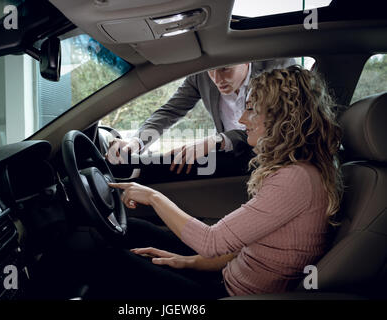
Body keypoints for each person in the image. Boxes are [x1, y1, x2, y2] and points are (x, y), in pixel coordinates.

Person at [72, 65, 343, 299]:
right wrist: (189, 263)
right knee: (136, 229)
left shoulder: (295, 179)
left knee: (109, 262)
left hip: (230, 294)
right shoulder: (296, 172)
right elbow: (243, 248)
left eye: (251, 110)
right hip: (226, 278)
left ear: (281, 118)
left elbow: (212, 242)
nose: (241, 119)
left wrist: (153, 197)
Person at [106, 59, 296, 174]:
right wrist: (136, 142)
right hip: (234, 160)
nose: (217, 79)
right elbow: (170, 111)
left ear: (246, 61)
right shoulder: (201, 76)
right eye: (211, 70)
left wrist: (216, 140)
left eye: (225, 69)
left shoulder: (276, 70)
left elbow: (279, 126)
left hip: (279, 161)